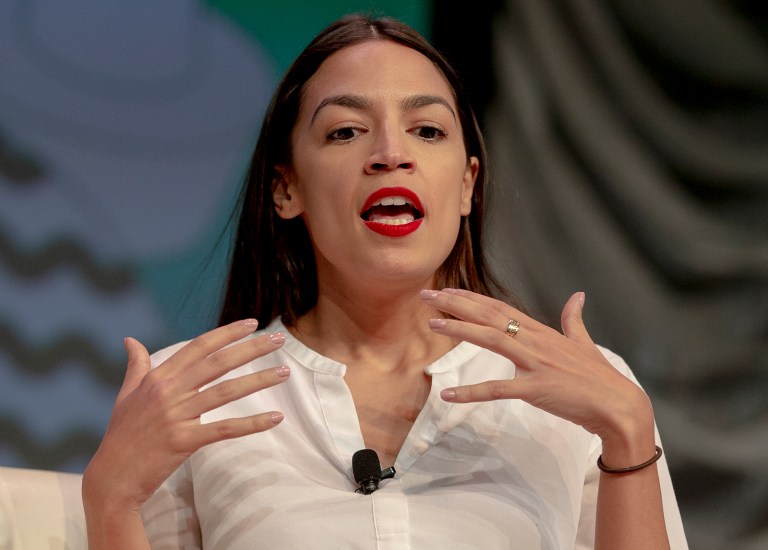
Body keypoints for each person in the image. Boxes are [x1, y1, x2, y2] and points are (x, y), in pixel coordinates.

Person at [81, 14, 688, 550]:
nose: (391, 153)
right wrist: (110, 500)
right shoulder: (193, 392)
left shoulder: (583, 391)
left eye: (428, 130)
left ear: (467, 185)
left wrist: (629, 433)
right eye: (346, 131)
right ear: (286, 188)